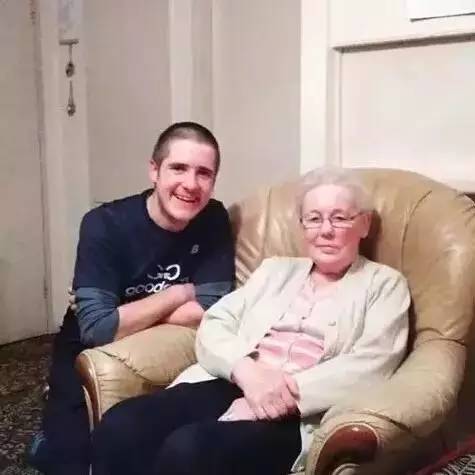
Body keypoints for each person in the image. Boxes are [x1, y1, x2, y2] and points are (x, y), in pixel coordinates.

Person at [90, 167, 411, 475]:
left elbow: (373, 363)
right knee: (122, 424)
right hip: (234, 381)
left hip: (302, 409)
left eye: (340, 218)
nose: (325, 230)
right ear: (302, 226)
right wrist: (245, 371)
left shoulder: (384, 284)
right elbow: (216, 321)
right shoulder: (275, 271)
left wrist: (280, 394)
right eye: (314, 219)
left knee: (190, 450)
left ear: (364, 224)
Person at [28, 122, 235, 475]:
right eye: (178, 168)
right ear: (154, 170)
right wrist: (180, 292)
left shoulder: (213, 217)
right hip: (85, 345)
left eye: (204, 173)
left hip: (159, 336)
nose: (191, 184)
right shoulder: (103, 224)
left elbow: (212, 306)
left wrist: (121, 314)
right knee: (69, 460)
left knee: (150, 446)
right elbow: (97, 329)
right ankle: (48, 431)